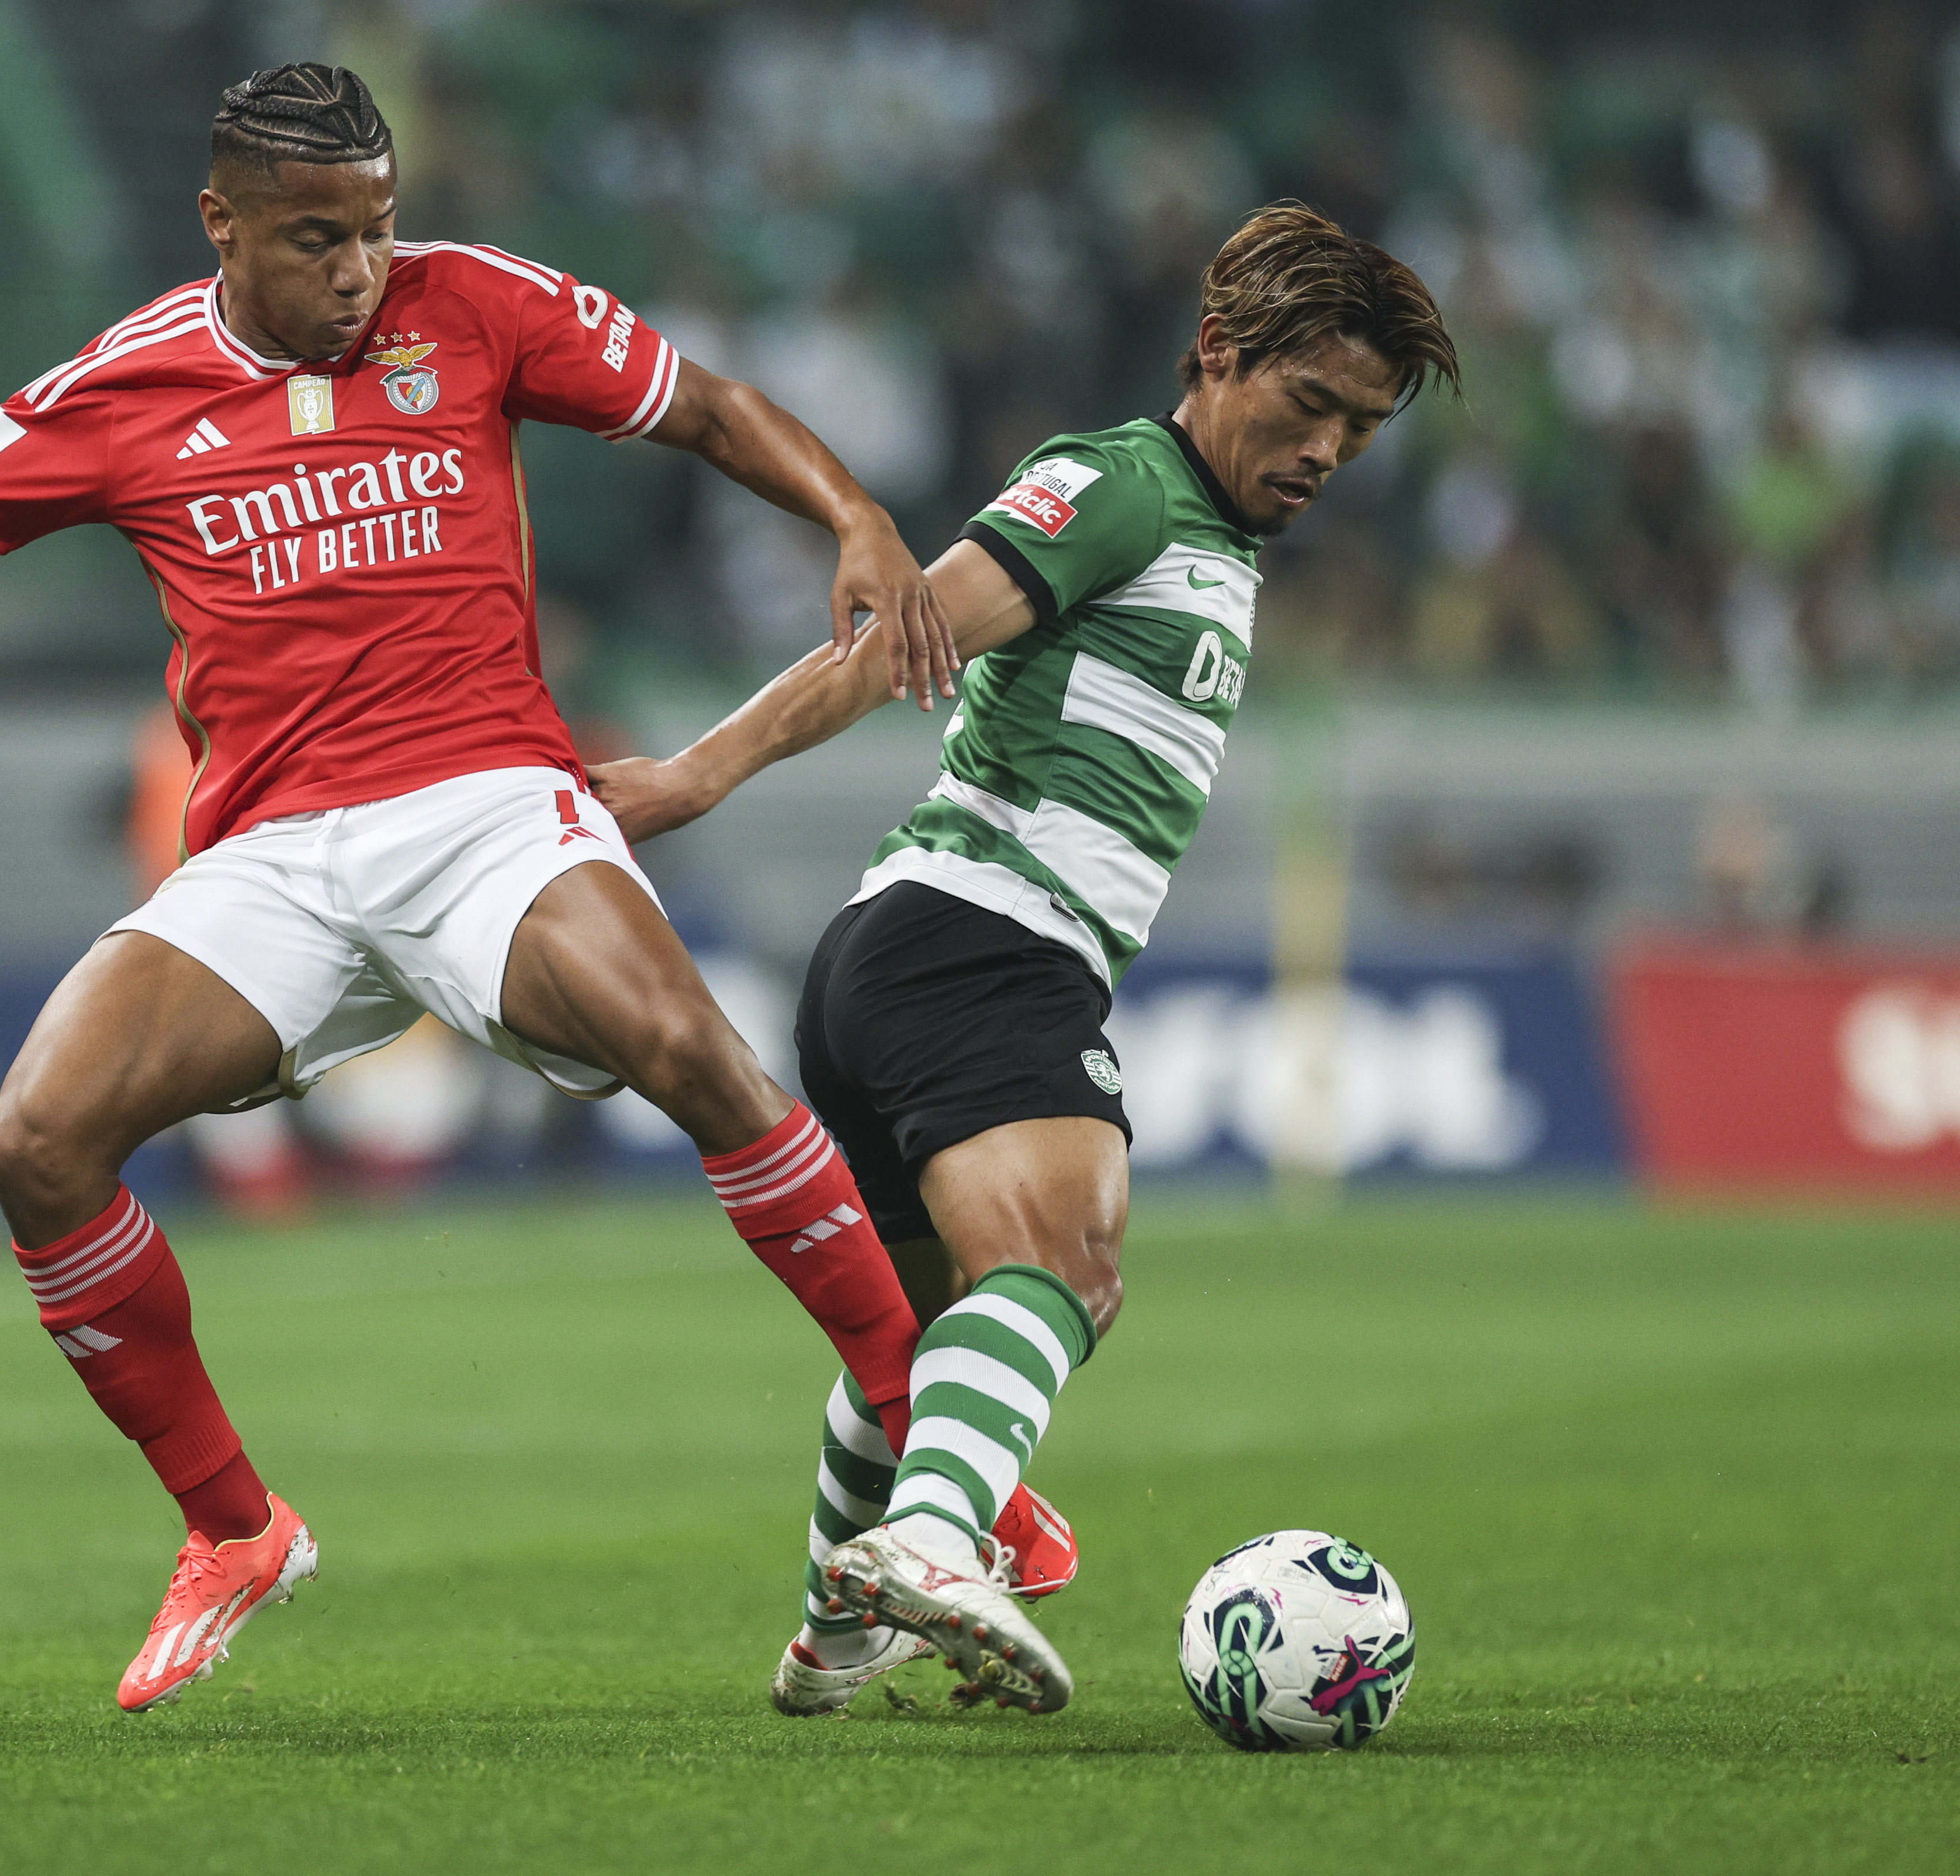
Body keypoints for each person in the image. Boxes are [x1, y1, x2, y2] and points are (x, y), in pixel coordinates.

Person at [0, 63, 958, 1714]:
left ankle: (939, 1457)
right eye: (314, 238)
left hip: (487, 795)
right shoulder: (127, 384)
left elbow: (704, 404)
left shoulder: (473, 307)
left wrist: (856, 513)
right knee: (34, 1141)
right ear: (221, 221)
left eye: (375, 228)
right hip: (274, 853)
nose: (359, 269)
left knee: (693, 1047)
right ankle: (232, 1527)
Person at [595, 203, 1460, 1715]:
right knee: (1069, 1258)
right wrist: (694, 775)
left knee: (934, 1338)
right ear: (1216, 356)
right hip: (980, 939)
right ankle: (933, 1540)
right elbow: (900, 635)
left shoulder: (1211, 535)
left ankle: (835, 1628)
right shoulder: (1123, 485)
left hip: (912, 954)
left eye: (1361, 429)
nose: (1329, 450)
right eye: (1308, 403)